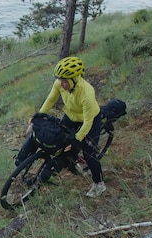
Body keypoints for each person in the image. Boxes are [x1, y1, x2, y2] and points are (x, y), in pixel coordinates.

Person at [14, 56, 105, 197]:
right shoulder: (60, 84)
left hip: (90, 120)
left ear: (75, 79)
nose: (61, 84)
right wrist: (38, 115)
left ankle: (99, 184)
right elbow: (50, 100)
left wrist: (76, 140)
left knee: (89, 153)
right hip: (70, 116)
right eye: (60, 80)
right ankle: (68, 161)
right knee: (59, 141)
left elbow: (87, 122)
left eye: (65, 81)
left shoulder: (87, 92)